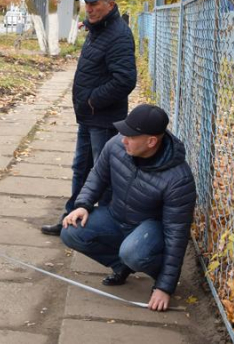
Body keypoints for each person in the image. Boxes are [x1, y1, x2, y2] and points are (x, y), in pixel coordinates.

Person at [59, 104, 197, 311]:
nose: (123, 139)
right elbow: (97, 176)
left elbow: (177, 235)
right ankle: (121, 265)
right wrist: (83, 204)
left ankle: (151, 271)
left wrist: (164, 286)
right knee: (71, 232)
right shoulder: (117, 145)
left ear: (151, 142)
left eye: (131, 136)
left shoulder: (179, 179)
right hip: (116, 217)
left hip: (149, 232)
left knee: (134, 252)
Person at [40, 0, 137, 236]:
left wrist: (93, 100)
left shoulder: (118, 35)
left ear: (110, 4)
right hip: (88, 117)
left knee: (104, 176)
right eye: (87, 3)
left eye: (94, 4)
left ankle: (105, 231)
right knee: (81, 169)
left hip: (104, 120)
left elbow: (125, 80)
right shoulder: (98, 29)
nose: (89, 8)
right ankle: (70, 218)